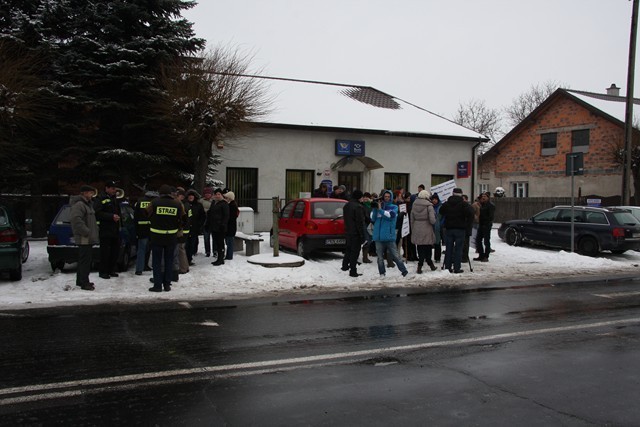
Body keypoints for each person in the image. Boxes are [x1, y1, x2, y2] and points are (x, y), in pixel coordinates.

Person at [147, 184, 185, 292]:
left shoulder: (154, 202)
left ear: (160, 193)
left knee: (157, 261)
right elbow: (183, 218)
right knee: (169, 261)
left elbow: (146, 213)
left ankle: (157, 285)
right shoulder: (177, 204)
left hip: (156, 236)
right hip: (171, 237)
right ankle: (167, 284)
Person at [370, 189, 409, 278]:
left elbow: (390, 216)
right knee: (380, 258)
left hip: (389, 236)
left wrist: (380, 210)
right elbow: (373, 219)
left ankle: (404, 272)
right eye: (385, 196)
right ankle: (382, 273)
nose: (387, 198)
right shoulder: (378, 207)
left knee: (396, 256)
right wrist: (375, 208)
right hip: (378, 236)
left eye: (388, 196)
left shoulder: (394, 207)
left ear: (391, 197)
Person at [70, 185, 99, 290]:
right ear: (84, 193)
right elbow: (76, 220)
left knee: (86, 260)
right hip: (84, 238)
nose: (92, 195)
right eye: (90, 193)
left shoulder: (88, 205)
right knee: (85, 261)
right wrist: (87, 232)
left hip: (88, 238)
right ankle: (83, 282)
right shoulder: (79, 205)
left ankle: (82, 280)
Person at [439, 188, 474, 273]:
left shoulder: (447, 203)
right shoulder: (464, 204)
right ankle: (457, 268)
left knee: (449, 249)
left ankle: (447, 267)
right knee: (458, 249)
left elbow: (441, 211)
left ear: (452, 194)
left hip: (449, 229)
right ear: (461, 194)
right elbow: (471, 214)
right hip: (460, 229)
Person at [94, 180, 121, 280]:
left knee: (115, 251)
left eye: (115, 189)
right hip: (105, 229)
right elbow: (97, 213)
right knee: (105, 252)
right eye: (113, 188)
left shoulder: (114, 199)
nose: (114, 190)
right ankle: (103, 271)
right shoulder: (100, 198)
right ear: (107, 188)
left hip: (114, 230)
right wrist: (110, 216)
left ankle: (111, 269)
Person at [410, 189, 437, 273]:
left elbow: (412, 219)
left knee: (420, 247)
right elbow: (432, 220)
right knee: (428, 247)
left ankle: (420, 266)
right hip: (427, 228)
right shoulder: (429, 206)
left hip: (417, 227)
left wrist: (413, 228)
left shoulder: (414, 205)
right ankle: (430, 264)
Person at [341, 189, 366, 277]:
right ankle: (353, 271)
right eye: (362, 197)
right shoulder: (358, 207)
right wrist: (362, 235)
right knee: (355, 252)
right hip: (356, 233)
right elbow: (360, 222)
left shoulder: (346, 205)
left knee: (348, 249)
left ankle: (344, 266)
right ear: (359, 197)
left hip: (348, 231)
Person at [134, 190, 156, 275]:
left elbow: (135, 216)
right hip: (151, 229)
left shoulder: (139, 201)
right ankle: (146, 266)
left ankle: (139, 269)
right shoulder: (154, 202)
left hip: (141, 229)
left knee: (141, 249)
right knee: (149, 249)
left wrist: (136, 229)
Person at [207, 188, 229, 266]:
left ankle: (221, 258)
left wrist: (223, 224)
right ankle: (219, 258)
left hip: (220, 227)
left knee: (220, 243)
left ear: (222, 195)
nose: (217, 196)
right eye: (216, 194)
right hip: (214, 226)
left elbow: (226, 215)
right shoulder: (213, 203)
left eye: (219, 194)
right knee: (216, 242)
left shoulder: (224, 204)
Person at [474, 192, 496, 262]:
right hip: (481, 224)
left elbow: (490, 217)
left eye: (485, 196)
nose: (483, 197)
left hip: (486, 225)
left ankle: (486, 256)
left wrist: (486, 223)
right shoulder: (482, 205)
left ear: (488, 197)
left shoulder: (490, 205)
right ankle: (481, 255)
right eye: (482, 196)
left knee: (486, 241)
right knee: (478, 240)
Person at [186, 189, 205, 265]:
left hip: (194, 228)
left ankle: (189, 258)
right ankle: (185, 259)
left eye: (192, 196)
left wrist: (199, 225)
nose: (191, 197)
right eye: (189, 196)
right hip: (186, 228)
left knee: (192, 244)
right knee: (186, 245)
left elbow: (202, 216)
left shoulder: (198, 205)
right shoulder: (184, 204)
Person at [224, 191, 239, 260]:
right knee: (229, 242)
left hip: (230, 227)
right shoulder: (232, 205)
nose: (225, 199)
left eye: (226, 197)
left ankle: (229, 256)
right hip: (231, 227)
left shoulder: (231, 206)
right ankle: (228, 255)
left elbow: (230, 217)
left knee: (229, 242)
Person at [200, 187, 214, 257]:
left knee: (214, 237)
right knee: (206, 237)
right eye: (206, 193)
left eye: (209, 193)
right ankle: (207, 251)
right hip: (205, 220)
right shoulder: (201, 201)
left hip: (213, 220)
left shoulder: (214, 201)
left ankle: (215, 251)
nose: (207, 195)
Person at [430, 192, 444, 263]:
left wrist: (441, 224)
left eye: (436, 199)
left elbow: (443, 217)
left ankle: (437, 257)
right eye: (433, 199)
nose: (434, 201)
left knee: (437, 242)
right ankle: (428, 257)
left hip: (438, 227)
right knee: (429, 242)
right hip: (430, 227)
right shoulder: (430, 206)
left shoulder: (440, 207)